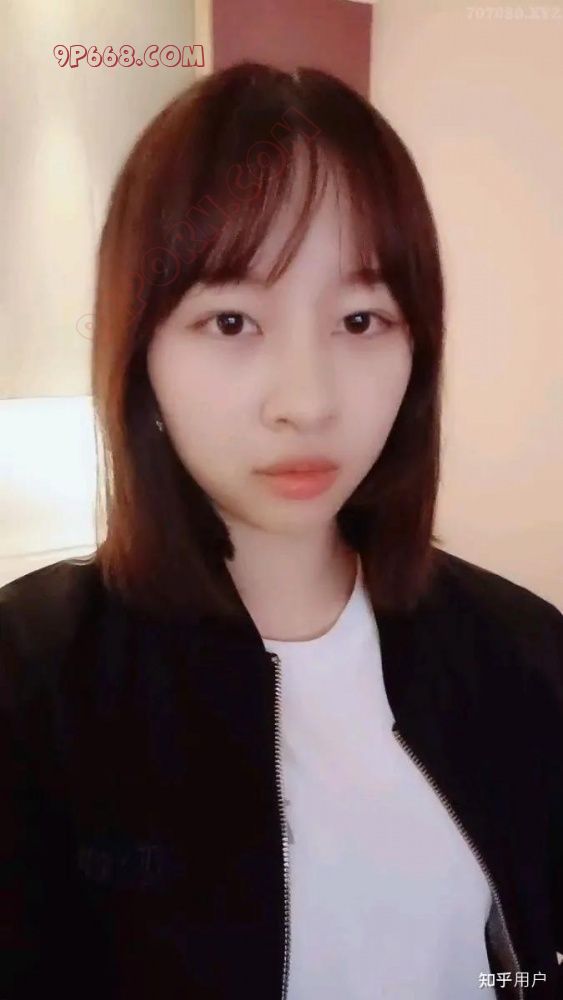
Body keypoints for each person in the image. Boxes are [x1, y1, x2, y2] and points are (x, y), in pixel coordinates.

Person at [0, 62, 561, 1000]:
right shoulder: (30, 686)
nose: (306, 401)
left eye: (359, 319)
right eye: (231, 321)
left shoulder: (524, 654)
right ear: (142, 356)